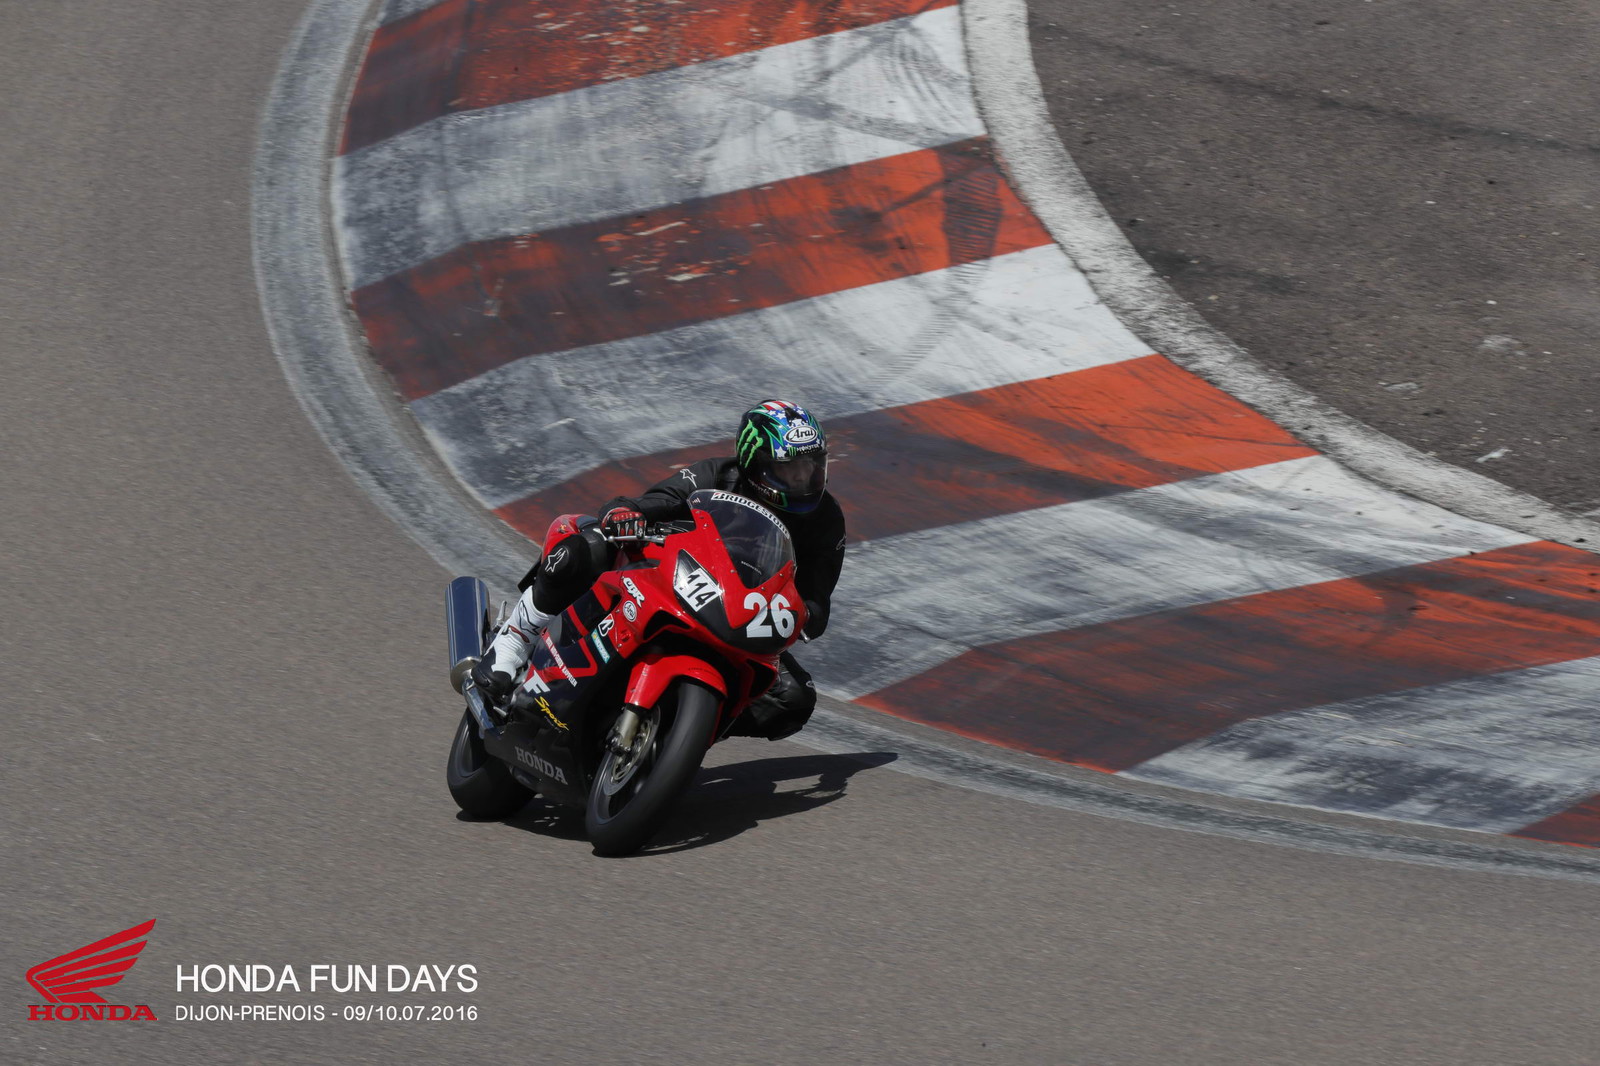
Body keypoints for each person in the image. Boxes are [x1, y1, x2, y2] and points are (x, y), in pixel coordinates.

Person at [472, 400, 845, 740]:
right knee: (588, 543)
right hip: (677, 575)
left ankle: (681, 728)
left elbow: (816, 602)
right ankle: (517, 637)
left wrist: (800, 615)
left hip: (742, 613)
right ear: (754, 462)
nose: (802, 480)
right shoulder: (718, 475)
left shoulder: (826, 519)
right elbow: (656, 500)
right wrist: (627, 514)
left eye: (811, 467)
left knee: (793, 698)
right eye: (788, 469)